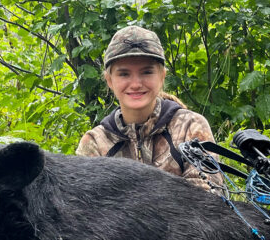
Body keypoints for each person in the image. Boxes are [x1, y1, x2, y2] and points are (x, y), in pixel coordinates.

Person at [76, 25, 223, 191]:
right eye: (124, 74)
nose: (136, 84)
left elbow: (208, 199)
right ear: (109, 81)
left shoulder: (189, 126)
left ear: (162, 76)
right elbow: (86, 209)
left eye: (147, 72)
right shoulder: (95, 142)